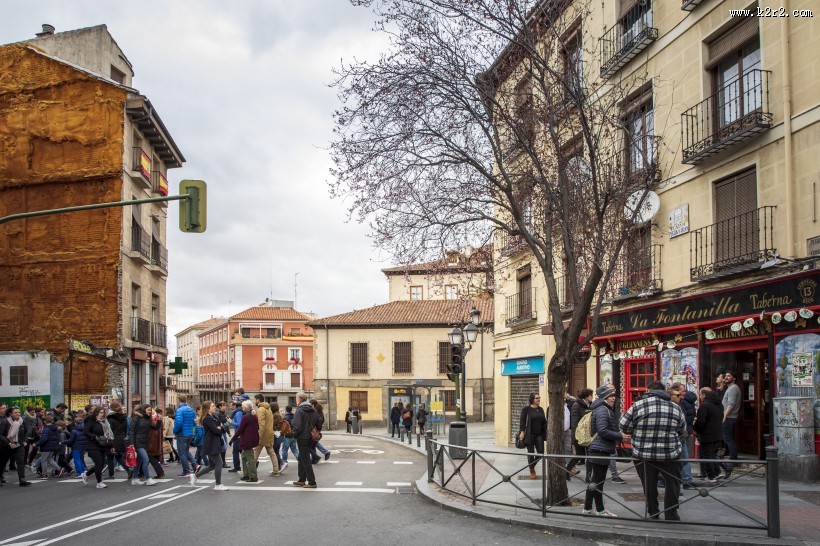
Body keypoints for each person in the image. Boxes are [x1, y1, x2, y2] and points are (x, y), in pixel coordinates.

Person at [620, 381, 687, 521]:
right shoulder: (676, 408)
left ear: (648, 390)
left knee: (649, 484)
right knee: (673, 484)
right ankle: (671, 513)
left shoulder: (638, 405)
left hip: (643, 453)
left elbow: (623, 425)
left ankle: (653, 511)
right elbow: (682, 430)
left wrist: (635, 432)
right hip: (670, 453)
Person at [583, 385, 627, 517]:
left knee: (595, 480)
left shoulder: (601, 408)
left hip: (599, 448)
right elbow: (602, 431)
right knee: (597, 481)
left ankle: (588, 507)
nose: (613, 398)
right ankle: (600, 509)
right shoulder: (602, 410)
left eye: (613, 395)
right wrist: (620, 435)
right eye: (610, 396)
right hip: (599, 448)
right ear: (604, 397)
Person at [190, 402, 229, 491]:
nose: (214, 407)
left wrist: (221, 428)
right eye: (212, 406)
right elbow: (216, 430)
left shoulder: (214, 416)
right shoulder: (207, 418)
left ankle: (195, 476)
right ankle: (218, 485)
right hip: (211, 443)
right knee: (219, 463)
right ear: (207, 409)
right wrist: (220, 428)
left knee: (212, 466)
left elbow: (222, 426)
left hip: (215, 442)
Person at [670, 384, 698, 489]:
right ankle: (685, 478)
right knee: (681, 457)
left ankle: (685, 479)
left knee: (683, 456)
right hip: (681, 433)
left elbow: (683, 420)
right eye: (680, 392)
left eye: (682, 391)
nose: (682, 394)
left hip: (682, 433)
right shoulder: (679, 403)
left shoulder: (681, 403)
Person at [694, 387, 723, 483]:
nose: (700, 397)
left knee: (706, 455)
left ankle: (711, 476)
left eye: (700, 395)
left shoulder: (704, 406)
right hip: (717, 433)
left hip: (706, 434)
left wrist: (696, 429)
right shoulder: (719, 405)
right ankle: (717, 472)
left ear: (704, 395)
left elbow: (701, 421)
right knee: (712, 454)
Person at [128, 404, 161, 486]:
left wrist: (159, 420)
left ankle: (135, 479)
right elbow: (131, 431)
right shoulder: (137, 418)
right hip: (137, 442)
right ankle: (148, 478)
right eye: (148, 410)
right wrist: (131, 443)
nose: (150, 412)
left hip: (145, 442)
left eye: (151, 410)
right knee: (145, 460)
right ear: (144, 410)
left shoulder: (148, 419)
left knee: (139, 461)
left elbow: (155, 428)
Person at [517, 393, 547, 480]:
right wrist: (522, 432)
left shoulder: (541, 409)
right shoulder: (526, 409)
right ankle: (532, 470)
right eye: (537, 398)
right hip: (529, 434)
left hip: (539, 434)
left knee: (541, 453)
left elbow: (544, 421)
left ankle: (531, 466)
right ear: (532, 399)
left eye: (539, 398)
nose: (539, 399)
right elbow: (522, 421)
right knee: (531, 453)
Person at [0, 406, 32, 487]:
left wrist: (25, 441)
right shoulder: (5, 422)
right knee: (2, 463)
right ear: (10, 413)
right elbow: (1, 435)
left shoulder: (21, 421)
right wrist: (9, 443)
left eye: (18, 412)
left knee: (20, 461)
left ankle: (22, 479)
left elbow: (26, 431)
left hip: (19, 445)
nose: (18, 414)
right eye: (15, 412)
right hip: (6, 446)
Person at [291, 391, 317, 488]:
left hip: (302, 437)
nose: (296, 400)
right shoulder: (313, 409)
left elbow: (297, 426)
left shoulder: (299, 410)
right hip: (311, 437)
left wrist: (293, 434)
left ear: (299, 400)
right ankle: (301, 479)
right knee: (302, 458)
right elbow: (319, 421)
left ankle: (312, 482)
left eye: (296, 398)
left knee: (305, 460)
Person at [566, 388, 593, 480]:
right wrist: (576, 437)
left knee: (589, 456)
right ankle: (567, 471)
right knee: (579, 455)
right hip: (579, 436)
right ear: (586, 396)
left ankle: (588, 476)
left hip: (588, 435)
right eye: (590, 395)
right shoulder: (576, 405)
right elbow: (574, 423)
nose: (592, 397)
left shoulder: (589, 405)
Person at [231, 400, 259, 482]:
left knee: (249, 458)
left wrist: (233, 439)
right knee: (244, 456)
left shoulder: (246, 417)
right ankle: (246, 475)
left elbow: (240, 429)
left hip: (247, 440)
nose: (241, 408)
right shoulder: (253, 415)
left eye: (243, 407)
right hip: (251, 439)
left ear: (245, 408)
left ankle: (253, 476)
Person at [252, 394, 280, 477]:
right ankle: (276, 470)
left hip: (263, 434)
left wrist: (259, 436)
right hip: (269, 433)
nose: (255, 401)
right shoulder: (268, 409)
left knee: (256, 452)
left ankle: (251, 471)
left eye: (255, 400)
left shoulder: (260, 410)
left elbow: (261, 424)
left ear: (258, 400)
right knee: (272, 452)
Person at [720, 370, 741, 479]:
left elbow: (731, 404)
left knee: (728, 438)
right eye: (726, 376)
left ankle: (733, 459)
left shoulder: (733, 389)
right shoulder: (730, 388)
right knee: (727, 438)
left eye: (729, 376)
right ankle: (733, 458)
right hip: (729, 417)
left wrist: (724, 416)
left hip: (729, 417)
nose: (726, 377)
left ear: (734, 378)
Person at [83, 406, 110, 488]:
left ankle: (86, 474)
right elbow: (85, 432)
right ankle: (99, 482)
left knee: (102, 464)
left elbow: (107, 433)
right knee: (98, 464)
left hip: (102, 445)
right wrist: (94, 436)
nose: (102, 415)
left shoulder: (102, 422)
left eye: (103, 413)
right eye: (100, 413)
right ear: (96, 413)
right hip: (92, 445)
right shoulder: (90, 421)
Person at [173, 394, 197, 478]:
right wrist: (190, 427)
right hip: (190, 433)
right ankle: (195, 465)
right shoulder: (191, 409)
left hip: (182, 434)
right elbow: (195, 421)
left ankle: (186, 470)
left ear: (178, 400)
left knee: (182, 453)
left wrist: (175, 431)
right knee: (186, 451)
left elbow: (178, 423)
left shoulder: (179, 410)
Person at [62, 416, 88, 484]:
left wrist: (63, 442)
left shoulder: (74, 431)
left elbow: (71, 440)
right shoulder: (85, 429)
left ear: (75, 423)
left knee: (76, 460)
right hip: (83, 446)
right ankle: (84, 470)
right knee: (80, 459)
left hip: (76, 446)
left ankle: (79, 473)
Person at [107, 402, 128, 478]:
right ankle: (128, 470)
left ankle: (111, 474)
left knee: (110, 457)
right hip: (121, 437)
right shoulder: (124, 417)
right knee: (119, 456)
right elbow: (125, 429)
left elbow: (109, 430)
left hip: (113, 438)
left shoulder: (110, 418)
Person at [228, 402, 243, 473]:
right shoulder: (240, 412)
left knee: (235, 452)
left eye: (231, 406)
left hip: (238, 435)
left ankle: (237, 467)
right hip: (240, 435)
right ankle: (253, 462)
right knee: (242, 451)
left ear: (235, 406)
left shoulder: (237, 413)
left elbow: (239, 424)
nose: (230, 407)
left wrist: (231, 422)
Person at [215, 402, 230, 468]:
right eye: (224, 405)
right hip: (221, 432)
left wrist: (228, 432)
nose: (225, 407)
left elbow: (226, 424)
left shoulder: (224, 414)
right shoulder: (218, 414)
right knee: (223, 447)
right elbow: (222, 424)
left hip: (224, 431)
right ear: (220, 407)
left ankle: (222, 462)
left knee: (224, 447)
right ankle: (222, 462)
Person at [271, 402, 285, 471]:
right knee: (276, 451)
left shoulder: (276, 415)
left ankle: (281, 463)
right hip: (278, 434)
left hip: (276, 435)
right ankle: (278, 466)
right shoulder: (278, 414)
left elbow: (272, 424)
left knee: (274, 451)